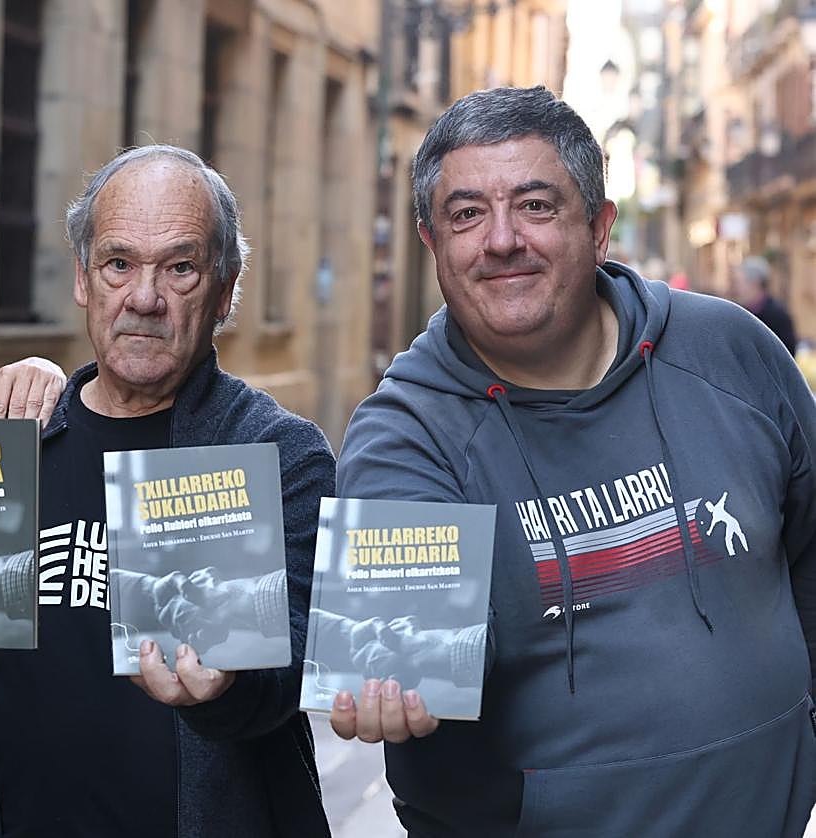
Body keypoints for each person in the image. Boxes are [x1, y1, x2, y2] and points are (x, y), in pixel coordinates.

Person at [333, 86, 816, 836]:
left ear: (599, 227)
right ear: (432, 243)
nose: (500, 240)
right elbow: (400, 647)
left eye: (534, 206)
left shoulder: (730, 350)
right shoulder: (406, 434)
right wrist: (391, 664)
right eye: (466, 214)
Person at [0, 145, 335, 837]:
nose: (145, 298)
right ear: (83, 278)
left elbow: (298, 660)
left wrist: (229, 685)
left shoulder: (274, 450)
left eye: (180, 267)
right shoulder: (14, 444)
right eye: (119, 263)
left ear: (224, 290)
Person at [732, 255, 797, 355]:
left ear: (754, 283)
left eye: (738, 282)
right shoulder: (737, 312)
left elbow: (788, 355)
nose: (735, 288)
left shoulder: (778, 315)